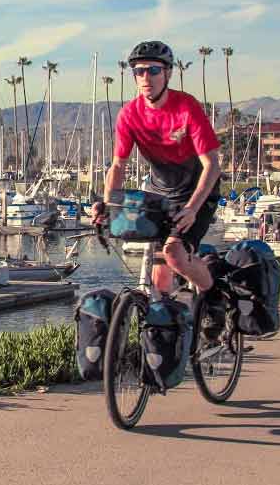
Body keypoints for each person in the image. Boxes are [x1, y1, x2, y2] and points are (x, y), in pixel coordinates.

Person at [92, 40, 225, 336]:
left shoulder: (186, 107)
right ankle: (165, 341)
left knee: (175, 254)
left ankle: (214, 295)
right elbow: (118, 166)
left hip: (198, 190)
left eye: (153, 70)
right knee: (158, 277)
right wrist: (107, 203)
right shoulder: (130, 114)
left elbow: (212, 165)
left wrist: (192, 209)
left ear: (167, 74)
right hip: (161, 190)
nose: (145, 78)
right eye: (139, 71)